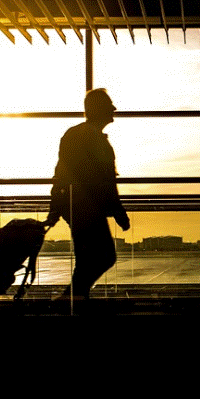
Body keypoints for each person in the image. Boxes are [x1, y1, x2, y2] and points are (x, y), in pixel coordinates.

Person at [47, 88, 130, 301]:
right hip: (87, 207)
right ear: (99, 109)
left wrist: (56, 207)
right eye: (109, 104)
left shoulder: (75, 134)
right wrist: (119, 211)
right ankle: (73, 298)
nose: (114, 108)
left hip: (76, 205)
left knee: (89, 258)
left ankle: (74, 298)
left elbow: (61, 173)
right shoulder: (93, 138)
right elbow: (105, 181)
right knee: (104, 256)